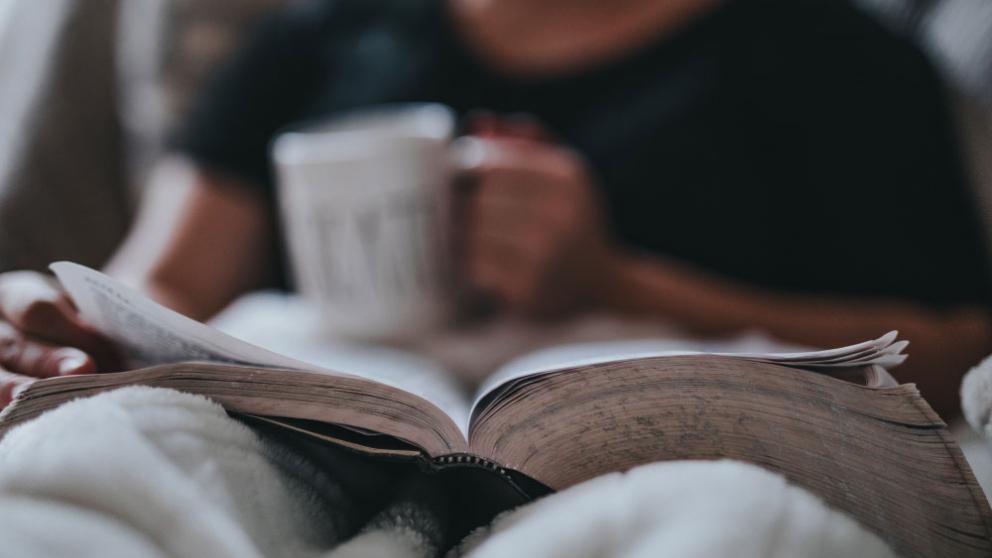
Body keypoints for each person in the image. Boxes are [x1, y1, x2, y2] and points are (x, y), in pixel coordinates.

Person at [0, 0, 989, 416]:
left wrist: (614, 283)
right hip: (313, 437)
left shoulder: (833, 58)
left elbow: (955, 351)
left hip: (654, 454)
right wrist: (48, 324)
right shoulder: (318, 38)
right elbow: (158, 282)